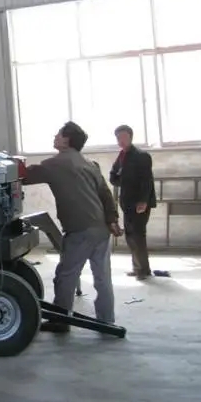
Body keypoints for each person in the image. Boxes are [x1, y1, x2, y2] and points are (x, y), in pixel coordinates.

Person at [23, 121, 122, 333]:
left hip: (80, 230)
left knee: (66, 276)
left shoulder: (54, 164)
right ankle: (107, 320)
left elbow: (24, 176)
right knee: (103, 278)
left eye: (58, 134)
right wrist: (113, 219)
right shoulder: (90, 164)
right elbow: (105, 194)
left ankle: (60, 321)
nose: (55, 136)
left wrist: (5, 164)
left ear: (67, 140)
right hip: (101, 228)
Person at [110, 124, 156, 280]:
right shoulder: (122, 156)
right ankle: (138, 268)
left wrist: (143, 200)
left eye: (123, 137)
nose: (120, 140)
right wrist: (121, 178)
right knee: (130, 235)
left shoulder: (142, 156)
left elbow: (147, 180)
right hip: (127, 202)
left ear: (130, 137)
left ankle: (142, 270)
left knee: (138, 235)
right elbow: (113, 177)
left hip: (139, 203)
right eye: (118, 138)